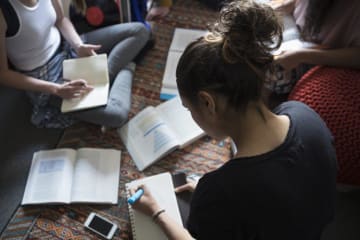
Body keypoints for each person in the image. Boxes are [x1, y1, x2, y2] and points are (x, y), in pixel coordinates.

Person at [129, 1, 337, 239]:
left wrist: (156, 211)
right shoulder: (305, 115)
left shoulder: (221, 191)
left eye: (189, 108)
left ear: (208, 103)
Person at [0, 0, 150, 128]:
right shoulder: (4, 11)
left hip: (67, 47)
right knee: (117, 116)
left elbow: (61, 20)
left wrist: (78, 45)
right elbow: (3, 74)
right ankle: (127, 66)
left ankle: (104, 78)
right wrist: (56, 89)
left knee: (139, 31)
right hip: (47, 79)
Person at [266, 0, 360, 94]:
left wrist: (303, 56)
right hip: (299, 32)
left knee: (268, 70)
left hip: (324, 56)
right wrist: (292, 4)